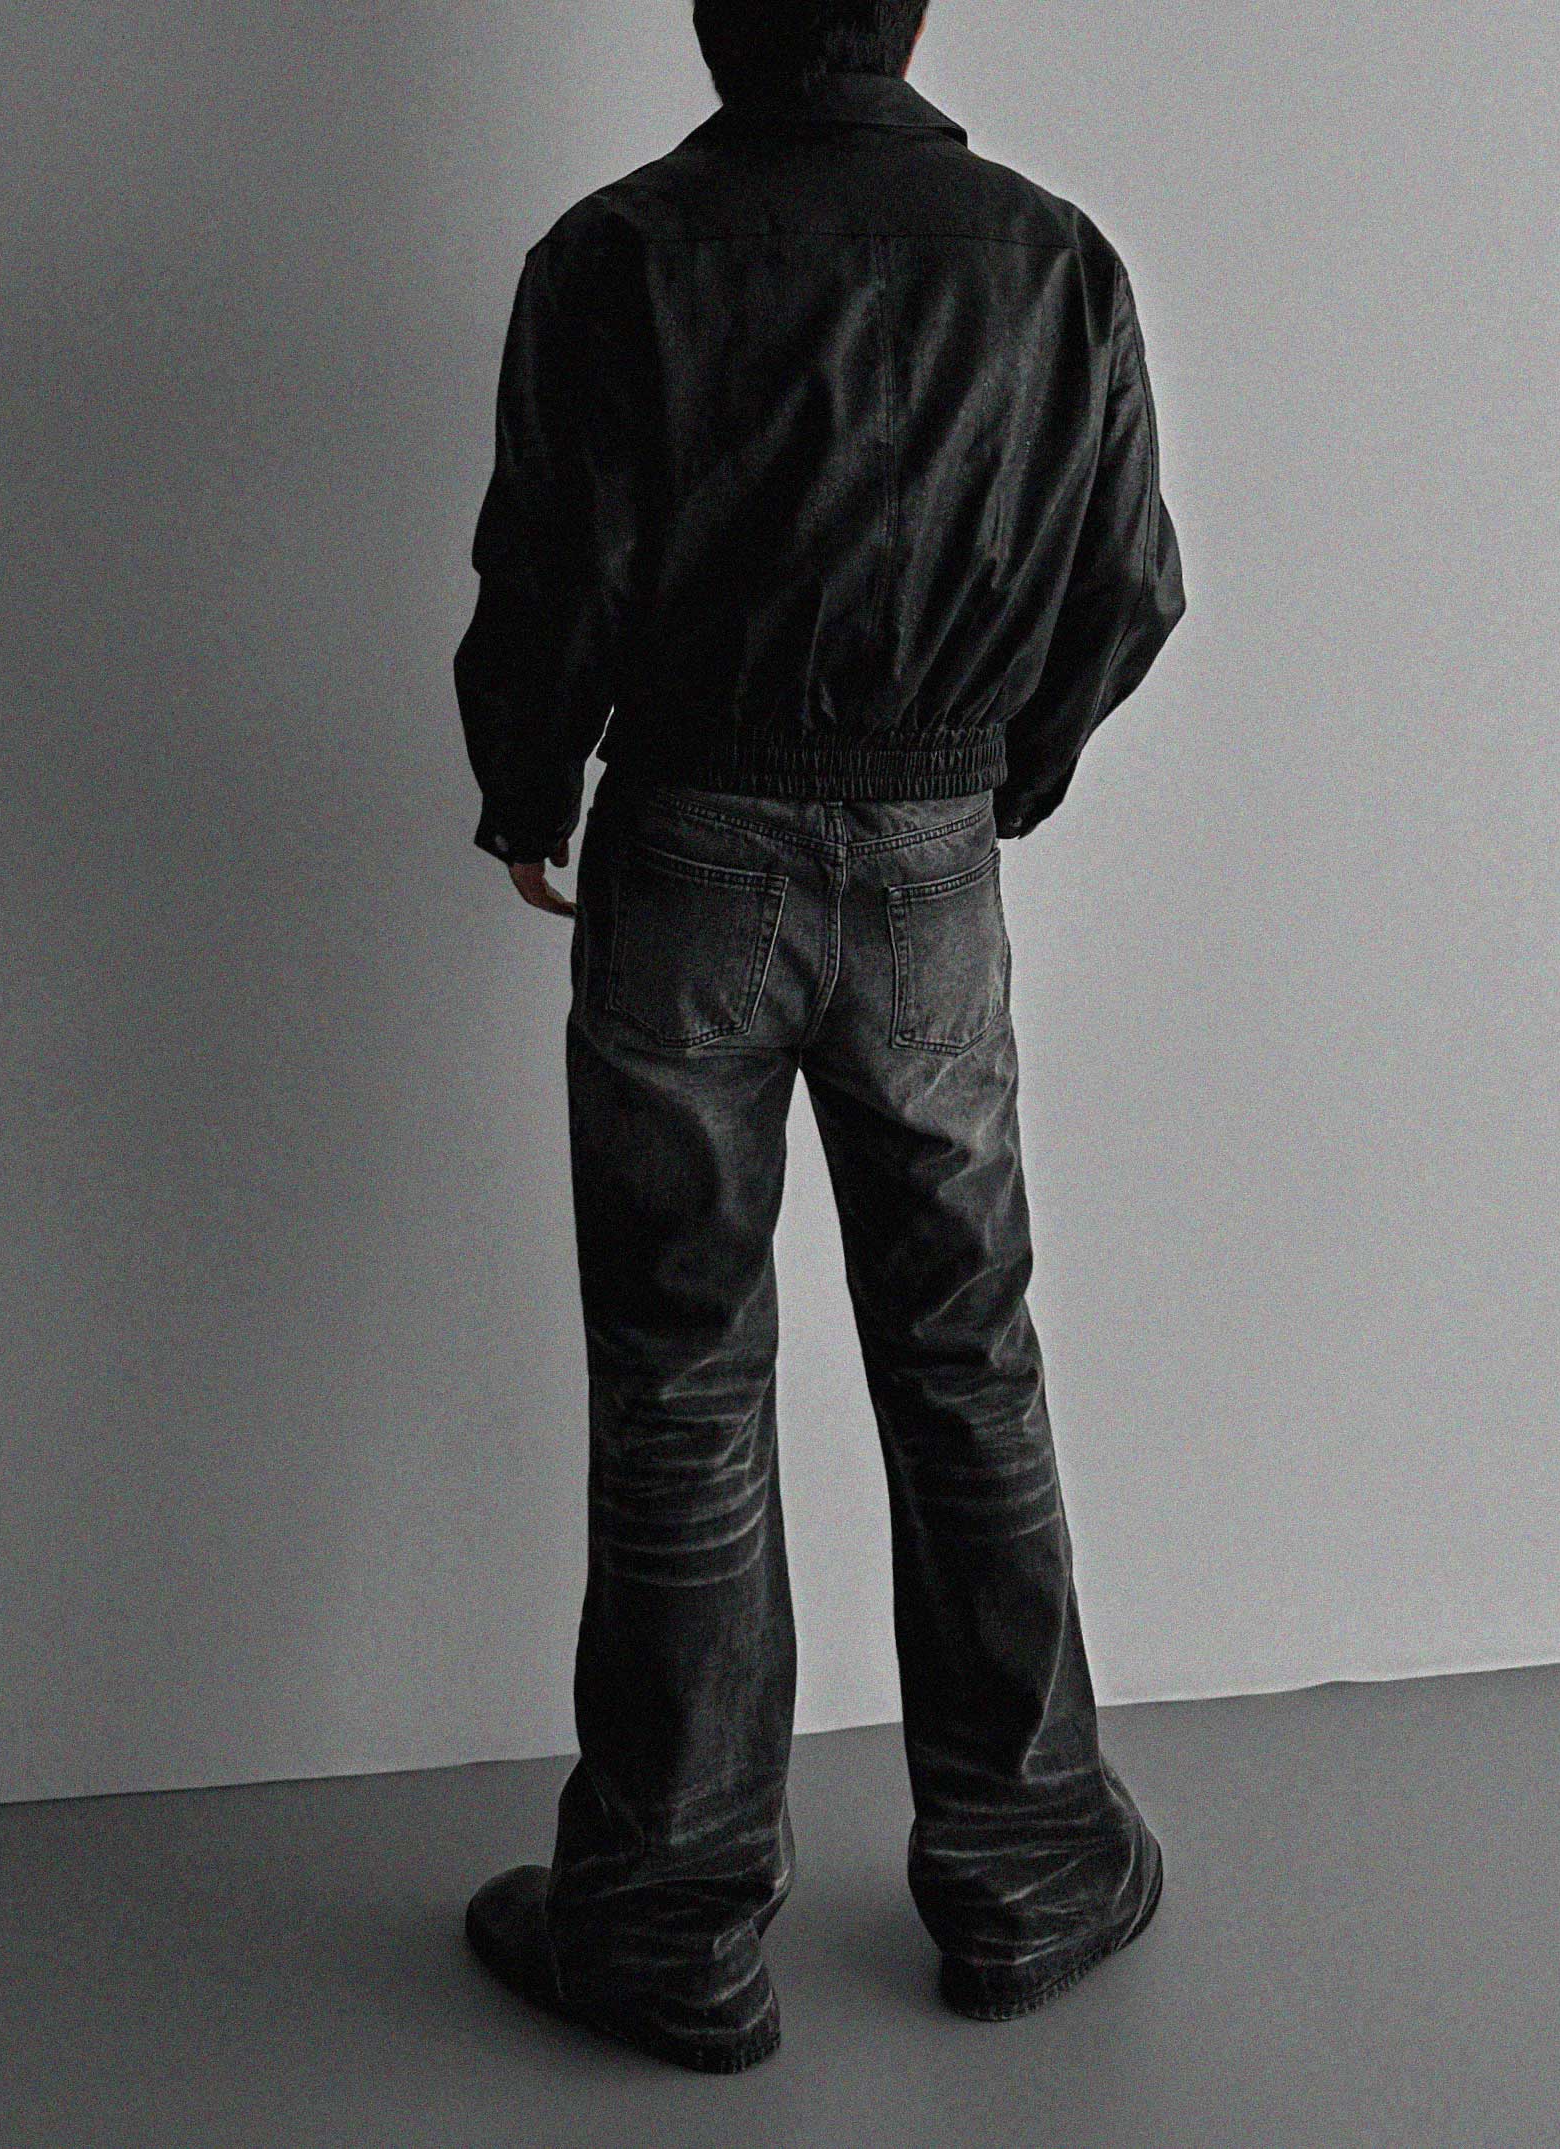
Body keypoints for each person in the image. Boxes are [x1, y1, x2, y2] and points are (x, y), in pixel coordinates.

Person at [454, 0, 1185, 2075]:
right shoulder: (1049, 256)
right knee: (964, 1354)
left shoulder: (614, 256)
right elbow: (1131, 583)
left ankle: (666, 1919)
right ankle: (1030, 1864)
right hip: (931, 858)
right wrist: (990, 776)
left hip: (689, 845)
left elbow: (550, 566)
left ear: (716, 15)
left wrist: (528, 787)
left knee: (681, 1373)